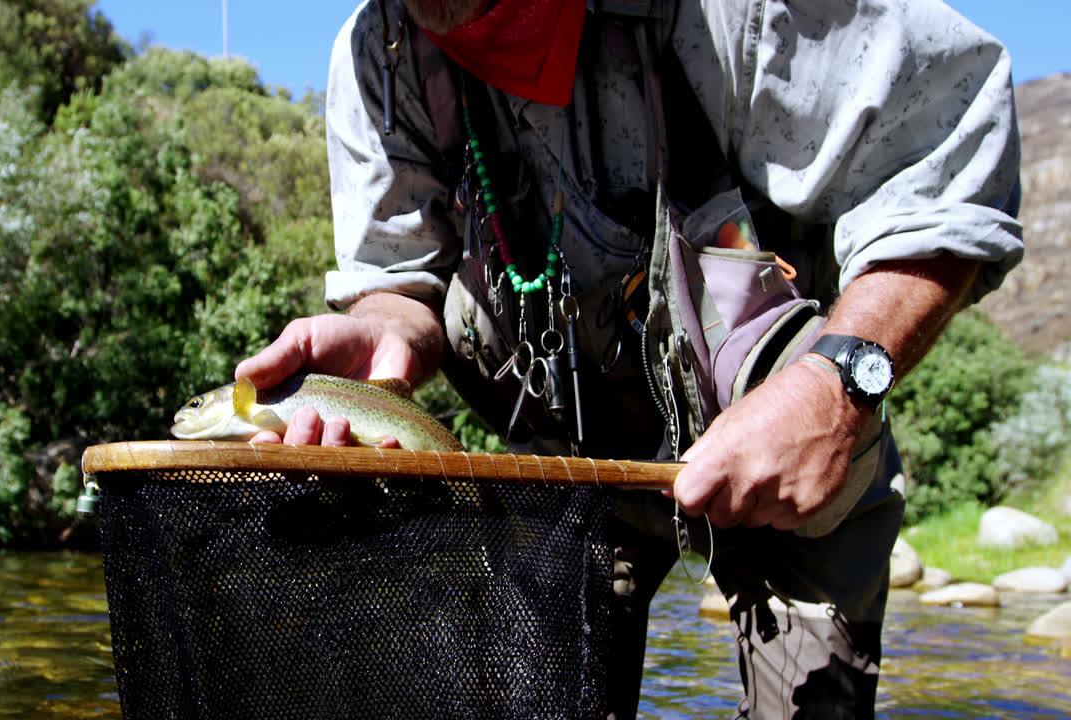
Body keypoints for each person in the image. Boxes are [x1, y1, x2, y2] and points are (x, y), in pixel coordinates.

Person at [235, 0, 1023, 716]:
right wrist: (387, 328)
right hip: (565, 484)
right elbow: (401, 283)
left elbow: (951, 142)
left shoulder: (731, 12)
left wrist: (838, 385)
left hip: (794, 464)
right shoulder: (381, 53)